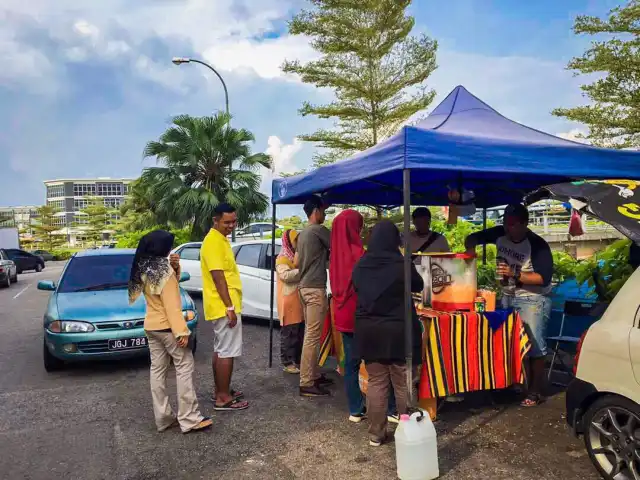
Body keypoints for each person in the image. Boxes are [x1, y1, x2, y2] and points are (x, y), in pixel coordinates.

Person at [465, 203, 553, 407]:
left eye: (513, 224)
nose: (508, 228)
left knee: (535, 346)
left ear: (524, 224)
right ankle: (518, 384)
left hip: (532, 299)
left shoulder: (537, 245)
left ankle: (535, 391)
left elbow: (544, 278)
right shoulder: (499, 233)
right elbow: (473, 237)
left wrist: (515, 274)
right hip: (507, 296)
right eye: (505, 223)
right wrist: (470, 251)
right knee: (512, 343)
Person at [128, 229, 212, 433]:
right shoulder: (163, 271)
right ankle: (190, 418)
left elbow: (156, 295)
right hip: (168, 327)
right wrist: (181, 332)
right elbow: (172, 304)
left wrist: (175, 267)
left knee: (157, 371)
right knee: (184, 367)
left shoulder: (145, 268)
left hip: (152, 327)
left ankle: (163, 418)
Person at [352, 220, 424, 446]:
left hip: (370, 332)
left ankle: (376, 434)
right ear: (395, 240)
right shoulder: (400, 264)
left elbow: (356, 287)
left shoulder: (362, 264)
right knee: (403, 384)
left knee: (377, 383)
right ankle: (408, 431)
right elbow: (418, 285)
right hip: (398, 333)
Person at [200, 203, 249, 411]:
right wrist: (229, 306)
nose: (231, 225)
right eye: (227, 222)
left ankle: (221, 390)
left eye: (234, 221)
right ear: (216, 220)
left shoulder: (220, 240)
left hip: (223, 305)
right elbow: (218, 276)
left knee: (221, 350)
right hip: (223, 306)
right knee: (227, 352)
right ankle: (223, 397)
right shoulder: (213, 242)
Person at [329, 209, 367, 421]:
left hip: (342, 313)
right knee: (376, 362)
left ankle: (355, 409)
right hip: (362, 314)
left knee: (350, 363)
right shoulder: (358, 253)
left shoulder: (335, 254)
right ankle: (388, 409)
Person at [297, 195, 333, 397]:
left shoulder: (303, 233)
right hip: (314, 288)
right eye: (324, 210)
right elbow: (338, 245)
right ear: (316, 211)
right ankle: (306, 381)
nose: (325, 214)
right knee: (312, 336)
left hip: (304, 287)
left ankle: (313, 374)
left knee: (313, 334)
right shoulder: (318, 230)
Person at [276, 229, 305, 374]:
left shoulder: (295, 257)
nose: (297, 243)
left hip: (297, 299)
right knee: (288, 333)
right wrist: (302, 272)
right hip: (288, 300)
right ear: (288, 241)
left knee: (299, 332)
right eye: (295, 240)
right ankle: (287, 362)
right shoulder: (282, 259)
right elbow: (285, 275)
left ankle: (297, 360)